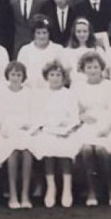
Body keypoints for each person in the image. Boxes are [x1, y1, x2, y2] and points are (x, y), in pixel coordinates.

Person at [31, 60, 81, 208]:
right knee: (48, 146)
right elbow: (38, 116)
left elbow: (74, 116)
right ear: (47, 77)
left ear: (63, 77)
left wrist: (67, 128)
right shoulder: (40, 94)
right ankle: (51, 187)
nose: (55, 78)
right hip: (47, 129)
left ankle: (67, 188)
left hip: (66, 129)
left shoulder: (69, 94)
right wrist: (47, 127)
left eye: (58, 75)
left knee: (65, 148)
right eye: (52, 74)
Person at [74, 52, 111, 207]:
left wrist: (107, 127)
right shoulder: (78, 87)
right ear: (83, 69)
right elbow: (75, 109)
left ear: (101, 68)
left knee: (102, 149)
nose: (93, 70)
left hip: (107, 123)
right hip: (87, 124)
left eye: (95, 66)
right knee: (87, 149)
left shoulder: (109, 85)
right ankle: (92, 190)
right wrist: (81, 117)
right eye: (89, 67)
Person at [0, 61, 38, 209]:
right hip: (7, 132)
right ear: (7, 76)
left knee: (27, 152)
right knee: (12, 152)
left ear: (23, 76)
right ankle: (13, 194)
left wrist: (27, 126)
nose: (15, 77)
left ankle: (24, 195)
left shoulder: (29, 93)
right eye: (12, 74)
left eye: (18, 74)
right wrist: (7, 128)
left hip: (25, 130)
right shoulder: (1, 93)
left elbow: (33, 115)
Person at [16, 14, 65, 90]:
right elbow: (20, 74)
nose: (41, 36)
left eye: (44, 33)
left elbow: (64, 74)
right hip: (30, 91)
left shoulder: (58, 49)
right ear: (34, 34)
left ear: (49, 33)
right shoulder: (25, 50)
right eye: (38, 33)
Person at [62, 17, 108, 83]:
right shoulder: (67, 51)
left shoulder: (97, 50)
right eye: (78, 31)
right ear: (74, 33)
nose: (82, 34)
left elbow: (105, 71)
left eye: (85, 31)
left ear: (89, 32)